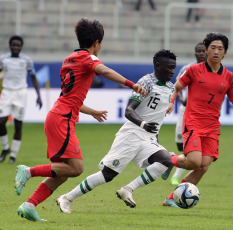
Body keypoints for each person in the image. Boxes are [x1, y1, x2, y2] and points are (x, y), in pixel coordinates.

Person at [14, 18, 146, 222]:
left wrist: (92, 111)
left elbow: (69, 97)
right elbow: (105, 71)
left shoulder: (69, 59)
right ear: (96, 42)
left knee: (63, 172)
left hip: (58, 115)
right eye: (101, 44)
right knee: (76, 169)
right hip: (63, 119)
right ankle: (28, 171)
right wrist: (131, 84)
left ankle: (29, 204)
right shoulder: (88, 58)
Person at [56, 49, 176, 214]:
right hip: (132, 134)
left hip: (148, 138)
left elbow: (156, 119)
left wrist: (154, 139)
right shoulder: (146, 82)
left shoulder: (170, 88)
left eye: (173, 68)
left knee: (165, 160)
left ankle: (128, 189)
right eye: (168, 67)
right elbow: (128, 110)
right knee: (107, 175)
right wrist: (143, 124)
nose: (172, 71)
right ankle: (67, 198)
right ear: (157, 66)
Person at [162, 32, 233, 208]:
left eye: (220, 49)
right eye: (213, 48)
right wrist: (171, 102)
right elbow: (176, 87)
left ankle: (172, 197)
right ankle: (168, 159)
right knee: (194, 161)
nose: (216, 52)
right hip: (193, 121)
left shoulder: (229, 77)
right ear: (206, 50)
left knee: (203, 166)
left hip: (212, 126)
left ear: (225, 52)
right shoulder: (194, 71)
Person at [0, 35, 42, 164]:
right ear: (10, 46)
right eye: (13, 45)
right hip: (6, 92)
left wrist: (39, 95)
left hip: (20, 93)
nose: (16, 47)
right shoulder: (3, 59)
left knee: (18, 125)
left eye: (18, 45)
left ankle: (13, 155)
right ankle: (5, 148)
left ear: (21, 47)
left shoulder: (27, 60)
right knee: (1, 121)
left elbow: (33, 78)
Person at [167, 42, 206, 186]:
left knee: (190, 147)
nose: (201, 53)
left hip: (200, 114)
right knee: (180, 145)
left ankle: (177, 176)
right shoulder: (187, 68)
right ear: (195, 53)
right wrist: (183, 100)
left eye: (203, 51)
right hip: (185, 110)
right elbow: (176, 87)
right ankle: (173, 159)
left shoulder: (211, 70)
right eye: (198, 51)